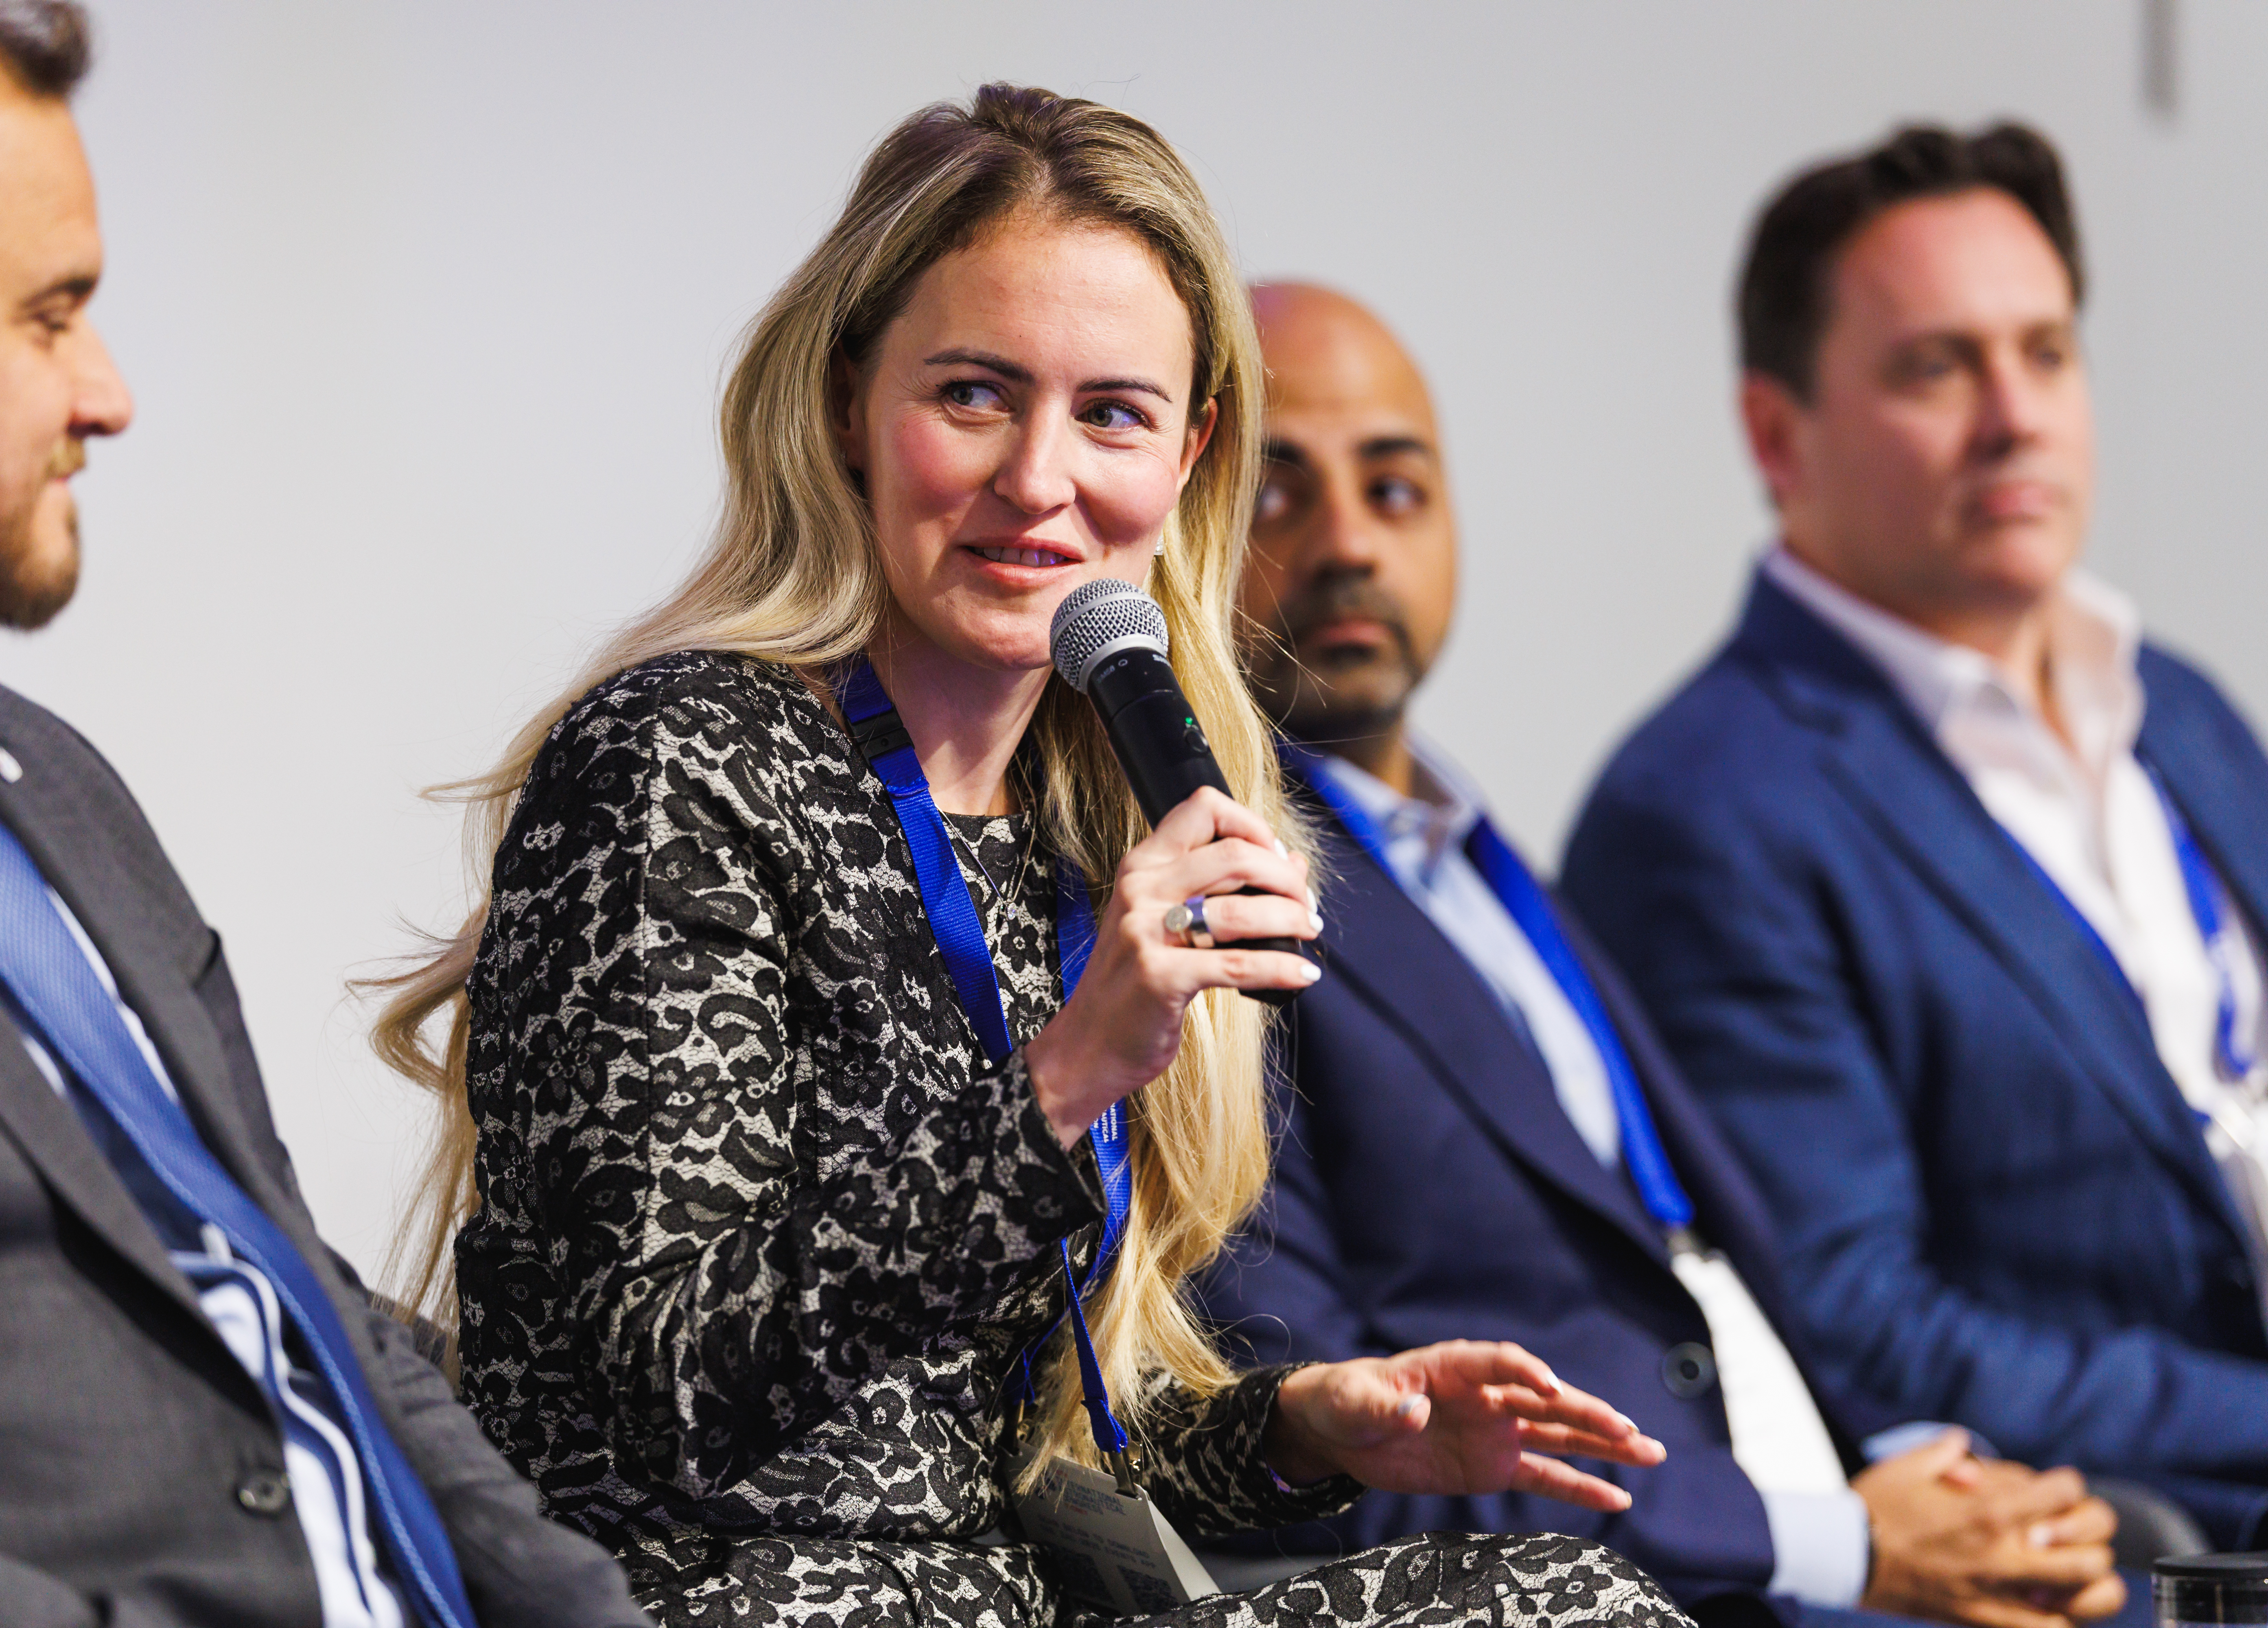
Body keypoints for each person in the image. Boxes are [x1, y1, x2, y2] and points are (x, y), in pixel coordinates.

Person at [374, 85, 1691, 1628]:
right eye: (978, 397)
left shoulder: (1076, 822)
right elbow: (673, 1389)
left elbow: (1003, 1443)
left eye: (1113, 414)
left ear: (1193, 452)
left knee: (1568, 1596)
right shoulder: (674, 760)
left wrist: (1300, 1432)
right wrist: (1064, 1079)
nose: (1041, 481)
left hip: (1001, 1599)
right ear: (850, 398)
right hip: (701, 1596)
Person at [0, 4, 652, 1624]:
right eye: (51, 315)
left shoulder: (39, 780)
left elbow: (295, 1287)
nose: (111, 394)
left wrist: (581, 1604)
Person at [1196, 282, 2127, 1628]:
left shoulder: (1488, 871)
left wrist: (1938, 1487)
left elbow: (1707, 1280)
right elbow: (1304, 1453)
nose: (1348, 542)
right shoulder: (1209, 908)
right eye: (1276, 495)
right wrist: (1834, 1543)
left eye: (1396, 490)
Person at [1564, 123, 2268, 1551]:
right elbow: (1863, 1328)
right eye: (1938, 368)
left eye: (2047, 353)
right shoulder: (1707, 807)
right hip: (2142, 1540)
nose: (2016, 415)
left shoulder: (2177, 707)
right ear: (1777, 433)